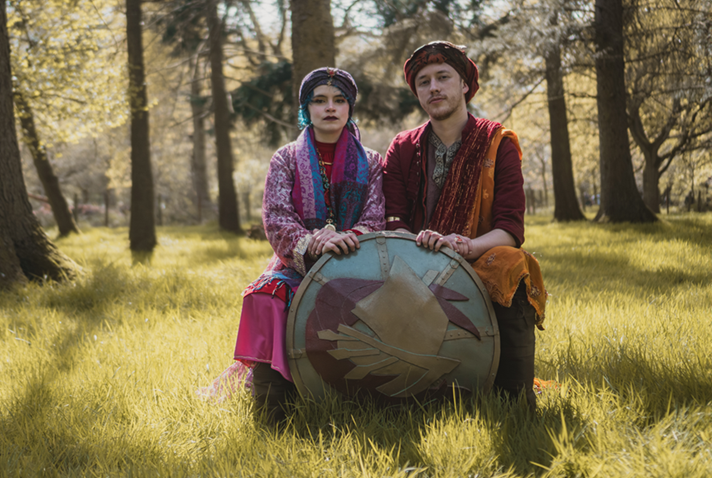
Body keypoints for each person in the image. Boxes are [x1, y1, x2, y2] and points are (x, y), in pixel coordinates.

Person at [382, 41, 547, 412]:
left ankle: (515, 400)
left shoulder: (497, 143)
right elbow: (394, 222)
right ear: (417, 93)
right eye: (424, 82)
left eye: (443, 77)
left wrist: (465, 246)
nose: (434, 87)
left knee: (512, 263)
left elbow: (510, 228)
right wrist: (420, 247)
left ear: (465, 85)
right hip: (414, 260)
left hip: (476, 258)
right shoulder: (403, 148)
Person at [221, 67, 385, 423]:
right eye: (320, 100)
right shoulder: (285, 158)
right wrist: (314, 243)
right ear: (306, 109)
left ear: (350, 107)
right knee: (265, 296)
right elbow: (276, 219)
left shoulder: (372, 162)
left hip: (356, 260)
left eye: (339, 100)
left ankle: (356, 400)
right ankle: (272, 409)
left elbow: (376, 219)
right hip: (298, 263)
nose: (330, 108)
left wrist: (345, 239)